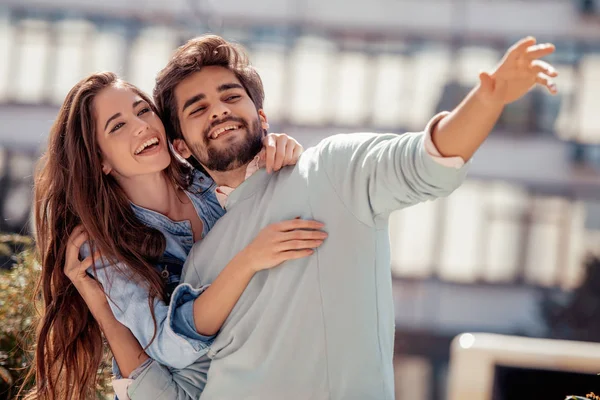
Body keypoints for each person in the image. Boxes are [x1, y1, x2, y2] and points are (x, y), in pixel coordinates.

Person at [115, 34, 559, 400]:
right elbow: (188, 392)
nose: (218, 110)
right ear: (182, 147)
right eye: (197, 108)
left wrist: (488, 98)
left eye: (231, 95)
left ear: (261, 117)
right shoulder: (201, 260)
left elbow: (425, 161)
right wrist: (102, 306)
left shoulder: (332, 169)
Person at [26, 71, 325, 400]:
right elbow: (172, 346)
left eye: (142, 111)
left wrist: (279, 149)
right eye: (118, 126)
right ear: (100, 160)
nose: (141, 125)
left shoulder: (207, 178)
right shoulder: (102, 246)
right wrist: (249, 260)